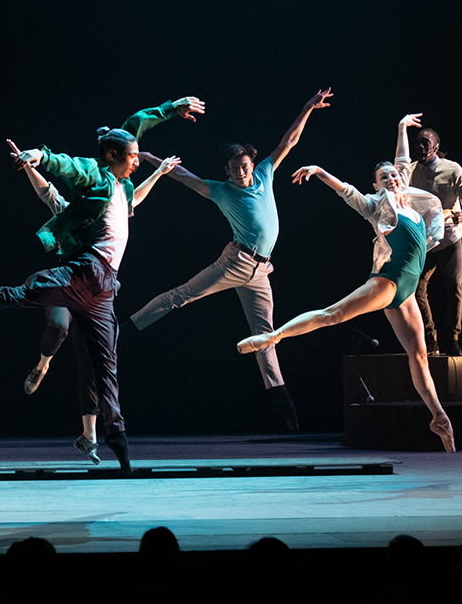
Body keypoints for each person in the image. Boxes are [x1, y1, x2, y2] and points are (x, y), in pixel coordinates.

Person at [0, 95, 203, 473]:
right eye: (132, 157)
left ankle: (118, 441)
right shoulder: (99, 175)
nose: (138, 161)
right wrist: (41, 158)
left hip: (105, 290)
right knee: (19, 296)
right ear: (111, 156)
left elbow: (136, 122)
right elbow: (69, 168)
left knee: (106, 367)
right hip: (81, 273)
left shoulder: (125, 187)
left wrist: (173, 108)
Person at [237, 113, 456, 452]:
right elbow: (348, 192)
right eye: (385, 177)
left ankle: (438, 415)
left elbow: (401, 160)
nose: (393, 179)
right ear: (377, 185)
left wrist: (400, 127)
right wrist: (320, 172)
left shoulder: (411, 200)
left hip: (408, 290)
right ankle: (272, 336)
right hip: (391, 279)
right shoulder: (376, 205)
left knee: (420, 355)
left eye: (396, 175)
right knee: (333, 314)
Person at [129, 89, 334, 432]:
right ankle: (128, 328)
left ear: (252, 164)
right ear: (226, 170)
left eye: (244, 166)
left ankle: (282, 403)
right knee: (182, 295)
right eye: (234, 168)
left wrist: (307, 107)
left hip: (260, 270)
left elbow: (289, 141)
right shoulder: (222, 190)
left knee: (264, 335)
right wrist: (149, 158)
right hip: (235, 262)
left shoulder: (266, 173)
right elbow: (183, 177)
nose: (241, 172)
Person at [8, 138, 75, 398]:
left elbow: (131, 200)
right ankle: (42, 366)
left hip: (95, 287)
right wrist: (26, 165)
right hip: (66, 281)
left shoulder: (109, 221)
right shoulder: (70, 212)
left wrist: (158, 174)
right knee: (60, 326)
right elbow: (47, 192)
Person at [408, 122, 462, 356]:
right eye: (417, 142)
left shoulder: (452, 169)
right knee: (415, 289)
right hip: (424, 241)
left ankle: (453, 339)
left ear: (436, 147)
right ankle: (430, 338)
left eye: (425, 142)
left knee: (454, 286)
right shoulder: (410, 170)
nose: (419, 146)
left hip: (449, 238)